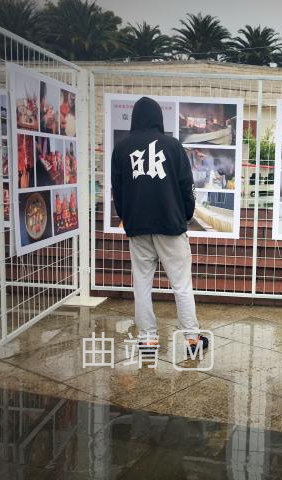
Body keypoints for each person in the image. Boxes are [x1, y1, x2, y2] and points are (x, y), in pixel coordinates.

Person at [111, 96, 208, 353]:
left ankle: (148, 340)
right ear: (158, 118)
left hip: (138, 227)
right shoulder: (173, 146)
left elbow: (117, 191)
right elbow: (187, 187)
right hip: (171, 226)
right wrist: (185, 215)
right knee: (181, 285)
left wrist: (127, 217)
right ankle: (192, 340)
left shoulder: (121, 149)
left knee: (142, 285)